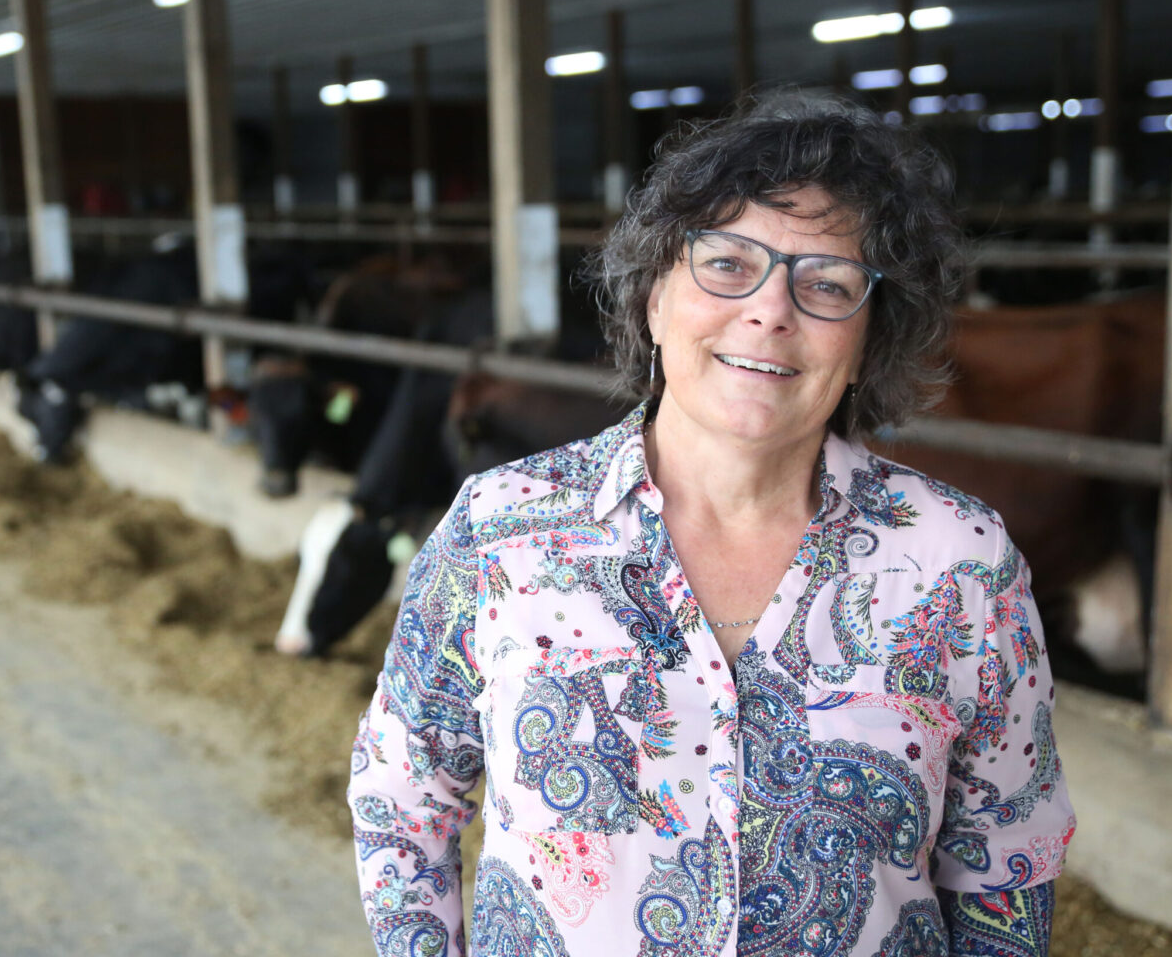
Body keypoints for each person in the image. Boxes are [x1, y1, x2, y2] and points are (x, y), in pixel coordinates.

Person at [347, 89, 1075, 957]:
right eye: (727, 264)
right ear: (653, 297)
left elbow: (1007, 863)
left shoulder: (963, 562)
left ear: (871, 338)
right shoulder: (504, 530)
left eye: (829, 283)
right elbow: (402, 798)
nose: (771, 310)